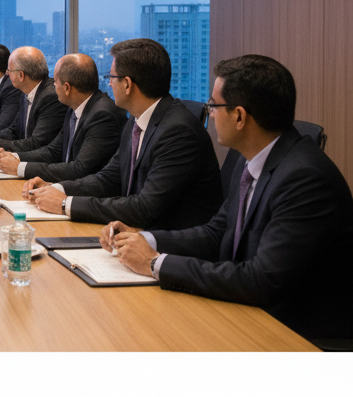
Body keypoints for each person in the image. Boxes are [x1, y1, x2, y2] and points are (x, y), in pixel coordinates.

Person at [100, 55, 352, 343]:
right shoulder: (249, 158)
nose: (211, 114)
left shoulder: (305, 178)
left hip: (296, 334)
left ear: (240, 116)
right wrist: (146, 239)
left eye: (214, 106)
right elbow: (216, 232)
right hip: (249, 312)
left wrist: (155, 263)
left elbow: (261, 280)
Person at [25, 38, 223, 229]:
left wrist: (64, 204)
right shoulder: (136, 120)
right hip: (132, 234)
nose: (109, 84)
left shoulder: (179, 132)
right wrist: (56, 188)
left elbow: (144, 208)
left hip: (167, 246)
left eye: (111, 78)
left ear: (127, 84)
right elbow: (109, 178)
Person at [0, 53, 126, 182]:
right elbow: (54, 151)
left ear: (67, 88)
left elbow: (80, 169)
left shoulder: (102, 115)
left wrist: (20, 168)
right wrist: (13, 157)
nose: (53, 85)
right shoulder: (75, 107)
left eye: (55, 81)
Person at [0, 46, 66, 154]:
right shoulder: (27, 92)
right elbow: (14, 130)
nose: (7, 73)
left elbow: (37, 143)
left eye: (9, 70)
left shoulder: (50, 97)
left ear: (21, 75)